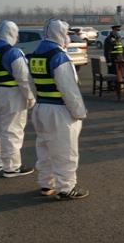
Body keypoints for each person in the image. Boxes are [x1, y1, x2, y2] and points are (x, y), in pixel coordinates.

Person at [29, 19, 89, 200]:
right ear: (60, 34)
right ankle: (66, 188)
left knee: (45, 149)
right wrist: (79, 112)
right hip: (59, 110)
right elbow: (69, 89)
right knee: (65, 151)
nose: (68, 38)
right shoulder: (59, 56)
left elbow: (31, 83)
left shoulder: (35, 54)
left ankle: (46, 183)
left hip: (41, 107)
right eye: (67, 34)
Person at [0, 20, 35, 177]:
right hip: (11, 94)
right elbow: (24, 79)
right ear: (12, 33)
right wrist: (30, 98)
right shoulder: (13, 52)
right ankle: (12, 167)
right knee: (12, 130)